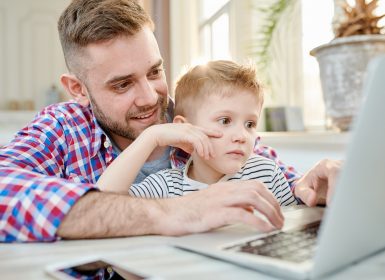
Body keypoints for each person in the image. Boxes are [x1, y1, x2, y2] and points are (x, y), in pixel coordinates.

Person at [0, 0, 341, 243]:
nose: (150, 97)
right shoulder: (62, 128)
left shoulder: (199, 115)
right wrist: (169, 213)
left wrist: (316, 189)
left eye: (154, 71)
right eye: (122, 84)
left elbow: (273, 175)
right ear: (78, 88)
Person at [97, 60, 299, 211]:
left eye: (250, 124)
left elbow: (291, 228)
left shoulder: (266, 173)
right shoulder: (166, 187)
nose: (241, 136)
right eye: (225, 121)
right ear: (184, 130)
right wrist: (151, 137)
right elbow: (102, 206)